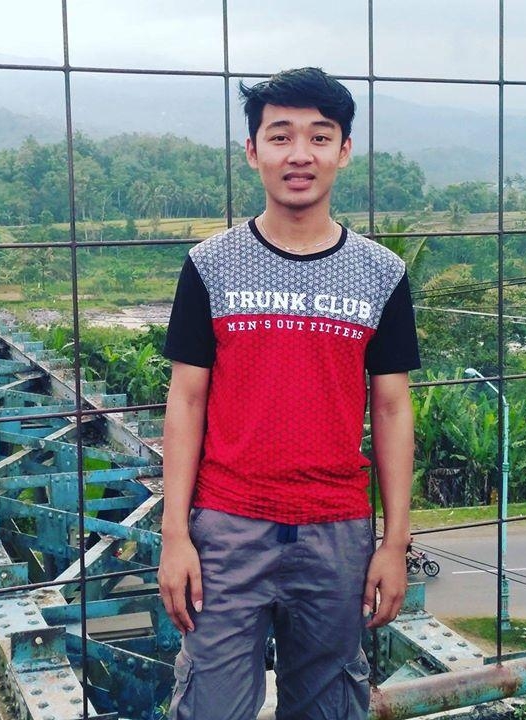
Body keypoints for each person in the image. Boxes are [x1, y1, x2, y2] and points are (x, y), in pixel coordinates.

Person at [157, 66, 421, 720]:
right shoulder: (209, 265)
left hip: (337, 532)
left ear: (343, 151)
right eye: (280, 136)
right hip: (226, 528)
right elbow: (186, 400)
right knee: (211, 706)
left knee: (329, 705)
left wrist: (394, 543)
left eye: (319, 137)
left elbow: (392, 408)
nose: (299, 154)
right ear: (253, 152)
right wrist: (174, 534)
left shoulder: (382, 273)